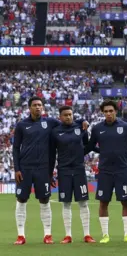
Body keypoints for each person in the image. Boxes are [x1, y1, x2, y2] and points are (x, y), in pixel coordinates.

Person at [13, 97, 87, 245]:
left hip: (43, 168)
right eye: (34, 105)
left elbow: (68, 123)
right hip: (25, 168)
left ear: (43, 108)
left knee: (44, 200)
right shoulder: (21, 125)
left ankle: (47, 235)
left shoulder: (50, 123)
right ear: (29, 108)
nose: (38, 107)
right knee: (21, 199)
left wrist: (82, 121)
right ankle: (21, 235)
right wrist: (17, 169)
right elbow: (16, 148)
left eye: (40, 105)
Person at [86, 100, 127, 244]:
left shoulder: (125, 127)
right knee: (103, 202)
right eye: (105, 111)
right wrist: (102, 151)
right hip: (105, 171)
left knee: (126, 202)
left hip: (121, 170)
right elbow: (89, 146)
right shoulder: (97, 128)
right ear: (102, 112)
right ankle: (105, 235)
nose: (108, 113)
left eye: (111, 111)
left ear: (115, 111)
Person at [50, 106, 96, 244]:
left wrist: (78, 155)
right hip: (63, 170)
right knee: (66, 203)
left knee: (83, 202)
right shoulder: (55, 132)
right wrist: (50, 172)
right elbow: (52, 154)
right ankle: (68, 235)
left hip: (79, 170)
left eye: (70, 114)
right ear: (60, 117)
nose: (68, 117)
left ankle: (87, 234)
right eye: (65, 115)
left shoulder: (80, 128)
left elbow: (88, 146)